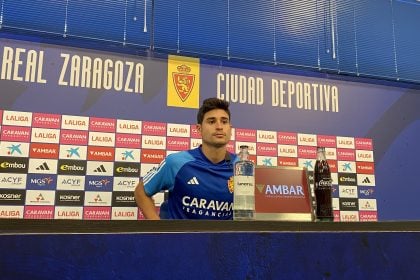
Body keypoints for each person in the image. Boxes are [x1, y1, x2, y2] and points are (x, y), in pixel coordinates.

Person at [134, 97, 237, 219]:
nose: (219, 126)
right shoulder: (177, 162)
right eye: (211, 121)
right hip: (180, 238)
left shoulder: (242, 167)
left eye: (224, 121)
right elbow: (141, 192)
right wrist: (158, 230)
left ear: (230, 129)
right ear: (199, 129)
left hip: (224, 238)